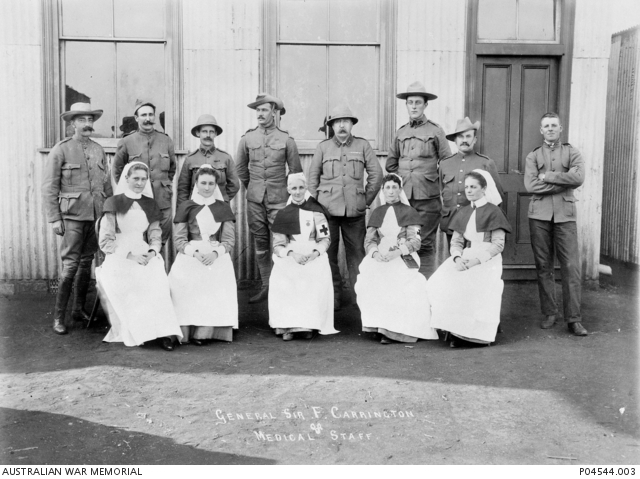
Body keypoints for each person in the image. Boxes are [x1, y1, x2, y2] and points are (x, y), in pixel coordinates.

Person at [42, 102, 113, 335]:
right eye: (82, 120)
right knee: (70, 265)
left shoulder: (98, 149)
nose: (87, 124)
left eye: (90, 120)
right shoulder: (61, 149)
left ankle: (78, 309)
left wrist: (109, 213)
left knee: (86, 262)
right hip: (72, 216)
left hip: (96, 216)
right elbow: (49, 187)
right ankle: (58, 317)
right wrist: (55, 217)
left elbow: (106, 184)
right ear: (72, 123)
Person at [96, 162, 182, 351]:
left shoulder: (149, 203)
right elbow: (105, 241)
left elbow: (155, 235)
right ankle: (142, 331)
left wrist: (152, 252)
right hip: (119, 253)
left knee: (156, 275)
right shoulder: (113, 202)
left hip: (143, 250)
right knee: (133, 279)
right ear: (126, 179)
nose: (140, 183)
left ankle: (164, 332)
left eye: (144, 179)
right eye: (136, 178)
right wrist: (129, 256)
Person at [307, 105, 383, 309]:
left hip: (354, 211)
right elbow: (312, 179)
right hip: (326, 212)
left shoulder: (363, 145)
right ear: (331, 126)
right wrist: (315, 207)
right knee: (327, 254)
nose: (341, 125)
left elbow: (377, 176)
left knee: (357, 254)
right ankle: (333, 297)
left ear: (351, 124)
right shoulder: (323, 147)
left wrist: (364, 200)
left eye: (346, 121)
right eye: (337, 122)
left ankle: (360, 297)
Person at [426, 170, 511, 348]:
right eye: (466, 187)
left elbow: (498, 245)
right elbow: (456, 242)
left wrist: (476, 261)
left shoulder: (494, 212)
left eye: (473, 187)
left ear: (484, 188)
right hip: (466, 255)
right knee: (438, 281)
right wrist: (457, 258)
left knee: (469, 284)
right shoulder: (463, 212)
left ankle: (471, 335)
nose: (469, 191)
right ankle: (453, 329)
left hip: (487, 259)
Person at [355, 174, 439, 344]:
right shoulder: (377, 212)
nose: (391, 191)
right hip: (381, 255)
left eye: (394, 187)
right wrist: (375, 254)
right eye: (387, 188)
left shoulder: (409, 212)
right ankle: (378, 325)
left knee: (398, 281)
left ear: (400, 190)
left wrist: (398, 252)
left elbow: (415, 241)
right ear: (383, 191)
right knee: (369, 277)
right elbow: (369, 240)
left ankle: (395, 330)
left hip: (403, 254)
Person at [524, 112, 587, 336]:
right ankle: (550, 312)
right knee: (544, 266)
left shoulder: (572, 152)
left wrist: (548, 177)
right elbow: (531, 186)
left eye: (554, 125)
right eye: (546, 126)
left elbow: (578, 178)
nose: (550, 129)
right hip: (539, 216)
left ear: (561, 128)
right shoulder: (533, 156)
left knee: (571, 266)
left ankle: (574, 319)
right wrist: (563, 181)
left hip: (565, 215)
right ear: (541, 131)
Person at [236, 93, 302, 303]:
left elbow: (295, 172)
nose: (260, 114)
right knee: (261, 243)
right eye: (258, 110)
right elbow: (240, 169)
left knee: (282, 242)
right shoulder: (247, 138)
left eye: (264, 110)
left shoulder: (286, 140)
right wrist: (253, 188)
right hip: (255, 200)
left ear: (274, 113)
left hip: (279, 200)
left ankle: (284, 289)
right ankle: (267, 285)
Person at [386, 82, 452, 276]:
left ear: (425, 105)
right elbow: (390, 165)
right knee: (403, 242)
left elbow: (447, 164)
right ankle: (409, 291)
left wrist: (431, 181)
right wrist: (405, 178)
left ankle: (426, 289)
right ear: (406, 105)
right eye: (410, 102)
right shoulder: (401, 132)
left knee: (424, 245)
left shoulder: (436, 131)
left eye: (418, 102)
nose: (414, 106)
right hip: (404, 200)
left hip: (428, 200)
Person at [169, 165, 238, 345]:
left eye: (211, 183)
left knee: (216, 274)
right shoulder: (187, 206)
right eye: (203, 183)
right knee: (182, 278)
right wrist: (195, 253)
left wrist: (216, 253)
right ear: (196, 183)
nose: (207, 187)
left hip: (215, 251)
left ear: (216, 185)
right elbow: (179, 239)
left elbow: (229, 239)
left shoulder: (222, 207)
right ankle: (185, 329)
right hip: (192, 252)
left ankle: (205, 331)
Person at [268, 173, 338, 341]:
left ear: (306, 188)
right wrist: (292, 254)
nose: (298, 192)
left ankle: (308, 325)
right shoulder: (283, 213)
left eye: (301, 188)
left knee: (312, 276)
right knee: (284, 277)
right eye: (294, 188)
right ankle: (288, 326)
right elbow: (278, 245)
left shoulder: (317, 211)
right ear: (288, 190)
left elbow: (325, 239)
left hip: (312, 253)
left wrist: (315, 253)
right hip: (292, 255)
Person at [112, 100, 177, 246]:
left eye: (150, 115)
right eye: (143, 115)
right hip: (136, 203)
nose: (147, 119)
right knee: (136, 241)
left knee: (159, 241)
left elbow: (171, 168)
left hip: (161, 200)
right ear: (136, 118)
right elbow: (118, 172)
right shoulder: (127, 141)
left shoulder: (166, 140)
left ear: (154, 117)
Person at [440, 117, 504, 244]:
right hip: (452, 222)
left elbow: (497, 196)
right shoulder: (444, 164)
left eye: (468, 136)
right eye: (460, 137)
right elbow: (441, 191)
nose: (464, 140)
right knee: (455, 258)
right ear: (455, 140)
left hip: (477, 224)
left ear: (475, 139)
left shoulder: (485, 163)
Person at [176, 114, 239, 209]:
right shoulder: (190, 159)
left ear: (216, 134)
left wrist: (222, 199)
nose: (208, 135)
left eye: (211, 132)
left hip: (220, 208)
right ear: (198, 133)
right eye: (204, 131)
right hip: (195, 207)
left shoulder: (225, 157)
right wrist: (184, 210)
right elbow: (183, 189)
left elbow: (234, 185)